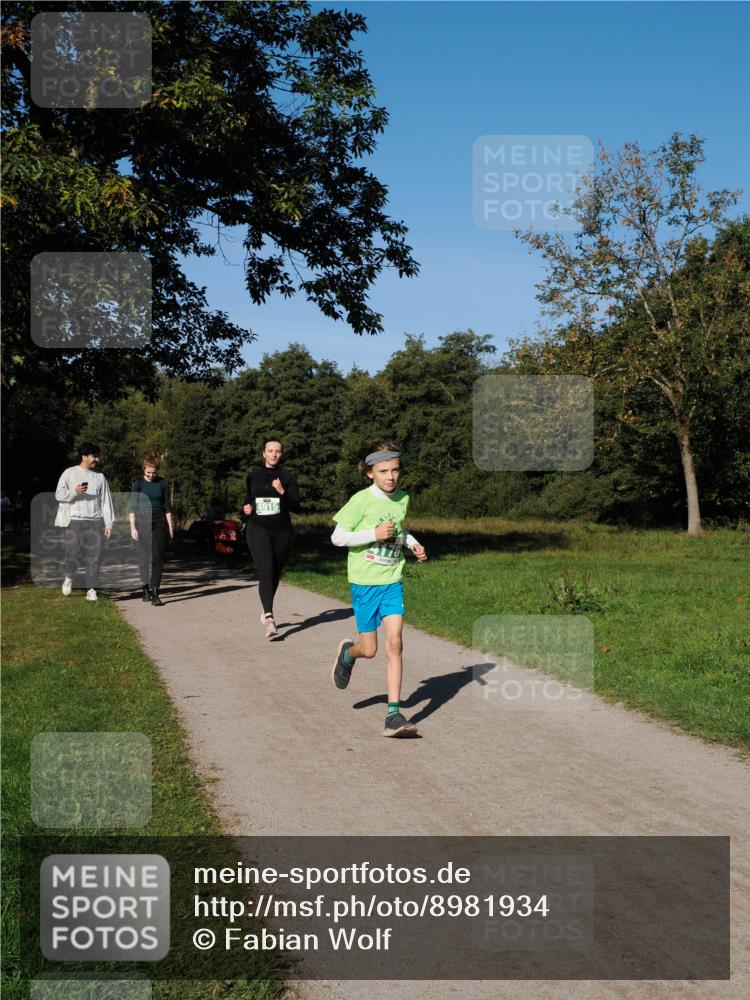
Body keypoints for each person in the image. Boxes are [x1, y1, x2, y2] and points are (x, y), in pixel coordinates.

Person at [330, 441, 427, 737]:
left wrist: (412, 544)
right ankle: (348, 654)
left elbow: (400, 529)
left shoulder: (402, 498)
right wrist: (371, 534)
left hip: (391, 582)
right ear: (370, 472)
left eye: (395, 470)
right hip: (364, 583)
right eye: (384, 471)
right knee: (369, 650)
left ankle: (393, 714)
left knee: (395, 643)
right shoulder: (361, 500)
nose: (391, 477)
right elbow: (337, 537)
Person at [242, 439, 300, 637]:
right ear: (263, 453)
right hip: (258, 529)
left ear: (281, 454)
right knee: (265, 570)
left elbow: (296, 506)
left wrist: (282, 491)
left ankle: (266, 607)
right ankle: (269, 617)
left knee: (274, 572)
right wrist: (245, 509)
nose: (274, 454)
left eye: (277, 451)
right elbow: (248, 501)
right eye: (270, 451)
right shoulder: (253, 477)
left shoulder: (288, 477)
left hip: (282, 531)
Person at [55, 442, 115, 601]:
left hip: (95, 522)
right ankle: (68, 577)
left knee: (94, 557)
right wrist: (74, 492)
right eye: (94, 456)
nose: (97, 459)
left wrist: (108, 523)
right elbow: (59, 495)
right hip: (74, 521)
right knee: (72, 553)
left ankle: (91, 589)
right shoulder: (69, 473)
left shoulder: (100, 477)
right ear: (84, 456)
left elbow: (106, 502)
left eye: (97, 456)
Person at [129, 454, 174, 607]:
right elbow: (132, 508)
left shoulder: (162, 483)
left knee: (157, 557)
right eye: (148, 472)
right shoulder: (138, 484)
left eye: (153, 473)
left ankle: (155, 592)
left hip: (159, 520)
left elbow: (167, 506)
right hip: (142, 520)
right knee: (143, 557)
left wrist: (170, 527)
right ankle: (145, 589)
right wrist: (132, 527)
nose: (151, 475)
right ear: (144, 470)